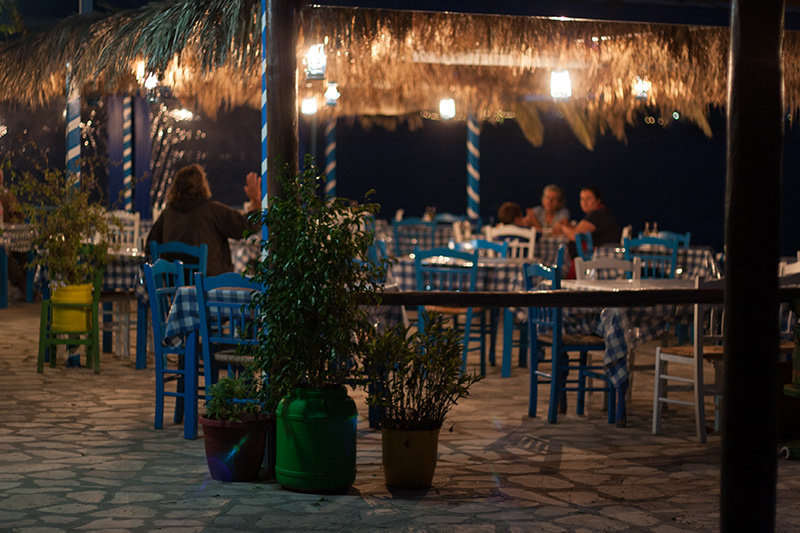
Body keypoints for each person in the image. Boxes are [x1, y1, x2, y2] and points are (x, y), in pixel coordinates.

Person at [145, 164, 261, 276]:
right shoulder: (213, 211)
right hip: (209, 284)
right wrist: (256, 202)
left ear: (174, 187)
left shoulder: (167, 214)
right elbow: (245, 227)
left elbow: (150, 246)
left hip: (173, 284)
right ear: (203, 185)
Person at [552, 186, 620, 246]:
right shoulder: (599, 212)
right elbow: (577, 230)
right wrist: (567, 225)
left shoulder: (598, 214)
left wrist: (562, 227)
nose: (584, 202)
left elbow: (575, 236)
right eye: (582, 199)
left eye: (588, 198)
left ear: (598, 200)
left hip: (604, 253)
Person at [0, 168, 27, 301]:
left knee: (24, 253)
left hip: (9, 237)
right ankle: (24, 287)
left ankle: (25, 290)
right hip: (2, 243)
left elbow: (21, 216)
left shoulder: (7, 195)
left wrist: (15, 211)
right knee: (4, 255)